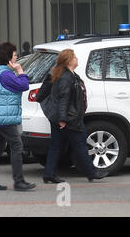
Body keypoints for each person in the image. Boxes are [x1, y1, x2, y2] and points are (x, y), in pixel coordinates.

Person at [41, 49, 109, 183]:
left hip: (62, 117)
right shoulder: (66, 77)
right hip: (68, 119)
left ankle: (49, 173)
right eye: (74, 57)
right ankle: (91, 172)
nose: (77, 59)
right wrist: (62, 119)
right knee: (80, 144)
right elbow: (63, 100)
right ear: (69, 61)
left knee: (56, 145)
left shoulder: (66, 74)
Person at [0, 42, 36, 191]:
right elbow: (24, 85)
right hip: (4, 117)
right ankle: (19, 181)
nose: (17, 57)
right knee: (17, 145)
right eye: (14, 55)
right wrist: (20, 70)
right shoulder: (5, 74)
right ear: (8, 58)